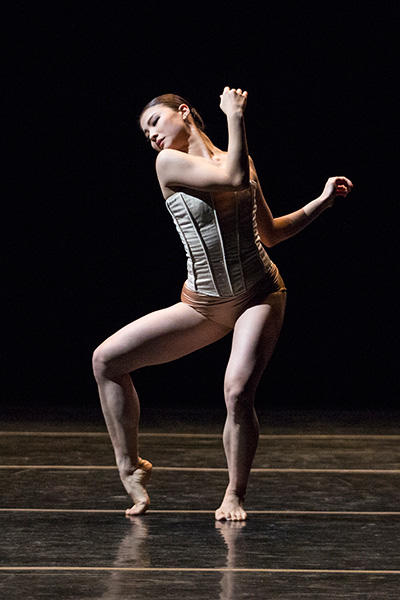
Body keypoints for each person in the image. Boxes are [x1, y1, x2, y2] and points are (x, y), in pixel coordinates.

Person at [92, 87, 353, 521]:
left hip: (259, 294)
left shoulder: (240, 160)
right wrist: (235, 115)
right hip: (202, 304)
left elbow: (269, 233)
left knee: (236, 392)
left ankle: (234, 493)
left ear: (184, 112)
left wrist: (321, 202)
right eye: (145, 134)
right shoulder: (169, 163)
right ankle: (130, 466)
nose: (151, 138)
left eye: (155, 123)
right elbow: (231, 178)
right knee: (106, 360)